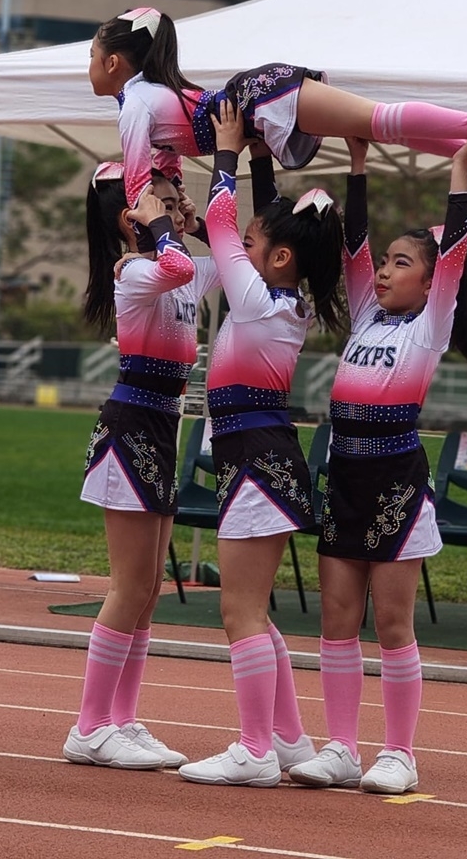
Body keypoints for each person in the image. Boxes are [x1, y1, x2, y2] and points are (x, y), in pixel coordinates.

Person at [288, 123, 467, 795]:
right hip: (345, 475)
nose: (383, 270)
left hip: (396, 482)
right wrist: (358, 162)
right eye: (385, 262)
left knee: (393, 624)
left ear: (431, 283)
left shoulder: (430, 326)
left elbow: (455, 250)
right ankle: (342, 747)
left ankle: (399, 753)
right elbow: (353, 244)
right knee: (337, 620)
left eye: (401, 263)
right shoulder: (367, 317)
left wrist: (459, 172)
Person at [178, 103, 345, 789]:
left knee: (238, 611)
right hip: (261, 455)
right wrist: (258, 155)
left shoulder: (257, 301)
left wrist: (224, 153)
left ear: (278, 258)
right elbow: (248, 231)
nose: (235, 251)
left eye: (251, 245)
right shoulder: (276, 298)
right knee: (255, 608)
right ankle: (288, 738)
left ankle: (253, 749)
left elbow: (225, 226)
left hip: (255, 458)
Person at [88, 7, 467, 222]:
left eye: (91, 55)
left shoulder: (137, 103)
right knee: (382, 129)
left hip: (259, 99)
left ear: (112, 63)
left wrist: (141, 231)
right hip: (258, 108)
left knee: (379, 120)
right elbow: (163, 164)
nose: (88, 64)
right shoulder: (147, 96)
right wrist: (178, 194)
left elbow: (136, 179)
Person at [63, 163, 221, 771]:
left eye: (179, 202)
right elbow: (176, 266)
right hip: (130, 429)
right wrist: (162, 230)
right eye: (165, 202)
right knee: (128, 586)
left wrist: (195, 224)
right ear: (132, 219)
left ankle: (122, 720)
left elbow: (239, 266)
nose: (176, 209)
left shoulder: (174, 267)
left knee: (150, 590)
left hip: (161, 429)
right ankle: (88, 727)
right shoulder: (135, 272)